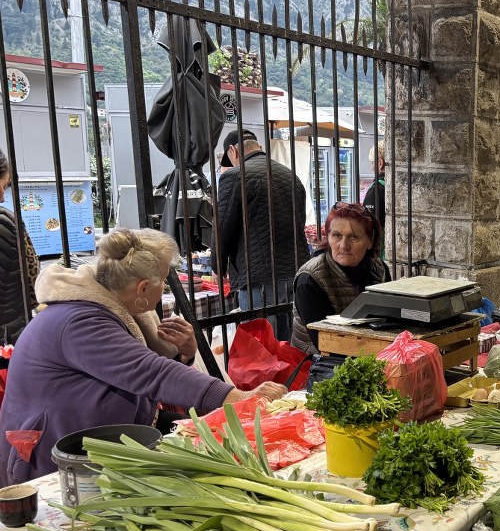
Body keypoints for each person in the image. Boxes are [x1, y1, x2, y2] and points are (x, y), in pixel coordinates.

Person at [0, 228, 286, 485]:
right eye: (164, 281)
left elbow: (133, 372)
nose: (165, 289)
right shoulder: (79, 321)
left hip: (106, 437)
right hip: (52, 461)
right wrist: (235, 397)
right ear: (142, 288)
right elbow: (150, 372)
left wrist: (185, 355)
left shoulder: (102, 308)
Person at [214, 129, 307, 342]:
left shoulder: (234, 176)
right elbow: (300, 221)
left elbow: (223, 227)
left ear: (233, 151)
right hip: (294, 273)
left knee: (261, 347)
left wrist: (217, 266)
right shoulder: (289, 175)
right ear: (260, 147)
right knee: (289, 344)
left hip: (258, 278)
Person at [290, 202, 391, 355]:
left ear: (370, 241)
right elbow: (326, 342)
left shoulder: (379, 269)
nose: (344, 246)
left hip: (371, 354)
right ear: (328, 237)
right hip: (317, 361)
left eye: (354, 237)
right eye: (336, 235)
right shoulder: (310, 279)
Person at [0, 150, 39, 343]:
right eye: (3, 185)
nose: (2, 197)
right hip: (8, 336)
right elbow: (33, 286)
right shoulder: (8, 224)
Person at [362, 142, 387, 234]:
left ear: (380, 163)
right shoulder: (396, 185)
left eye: (372, 162)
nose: (371, 168)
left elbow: (368, 225)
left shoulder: (376, 189)